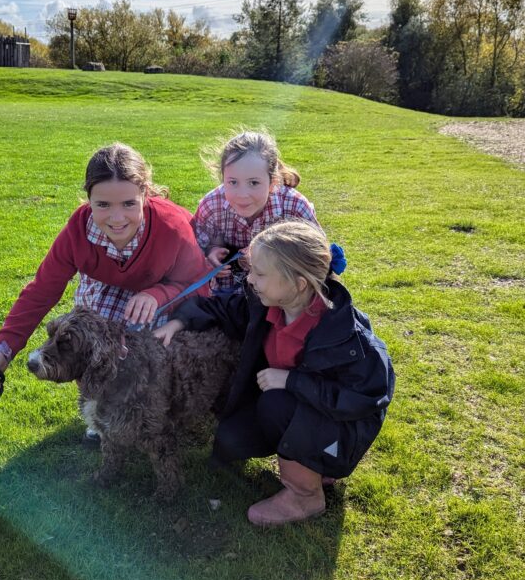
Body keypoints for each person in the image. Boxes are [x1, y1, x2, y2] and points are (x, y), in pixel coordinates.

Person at [154, 221, 394, 526]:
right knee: (232, 438)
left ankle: (306, 495)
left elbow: (364, 399)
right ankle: (315, 468)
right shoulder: (266, 303)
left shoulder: (350, 339)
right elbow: (221, 308)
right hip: (295, 410)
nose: (250, 279)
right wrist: (178, 322)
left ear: (298, 283)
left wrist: (292, 381)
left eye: (260, 273)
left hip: (341, 433)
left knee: (276, 402)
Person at [0, 143, 213, 421]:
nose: (116, 218)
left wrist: (158, 293)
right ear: (88, 199)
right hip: (108, 285)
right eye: (102, 205)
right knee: (89, 331)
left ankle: (150, 406)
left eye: (128, 204)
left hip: (168, 289)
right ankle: (101, 404)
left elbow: (200, 286)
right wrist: (1, 350)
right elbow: (42, 290)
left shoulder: (171, 228)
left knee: (146, 341)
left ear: (145, 195)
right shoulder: (78, 230)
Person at [192, 130, 318, 292]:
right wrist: (210, 255)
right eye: (233, 182)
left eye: (253, 183)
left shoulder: (295, 207)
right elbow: (191, 257)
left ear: (272, 182)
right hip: (224, 300)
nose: (242, 195)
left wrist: (266, 257)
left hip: (280, 298)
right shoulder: (211, 206)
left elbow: (318, 261)